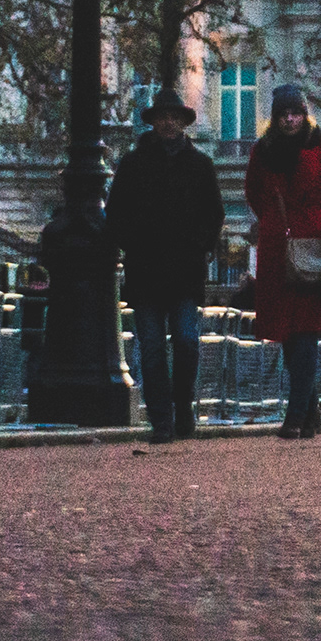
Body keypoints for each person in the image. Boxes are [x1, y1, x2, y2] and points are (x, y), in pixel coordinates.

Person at [102, 88, 223, 441]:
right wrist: (134, 243)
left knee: (186, 341)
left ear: (183, 123)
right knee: (152, 348)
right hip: (146, 271)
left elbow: (213, 214)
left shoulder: (200, 165)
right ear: (154, 122)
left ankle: (182, 405)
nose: (168, 123)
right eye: (163, 118)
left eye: (174, 118)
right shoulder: (133, 163)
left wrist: (198, 245)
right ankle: (161, 419)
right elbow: (116, 214)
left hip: (184, 271)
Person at [244, 84, 321, 439]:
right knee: (288, 337)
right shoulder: (263, 151)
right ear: (275, 116)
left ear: (305, 114)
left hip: (315, 249)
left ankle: (296, 415)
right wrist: (276, 223)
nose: (290, 119)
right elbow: (254, 194)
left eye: (296, 112)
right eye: (284, 113)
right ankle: (311, 408)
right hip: (278, 249)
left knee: (306, 335)